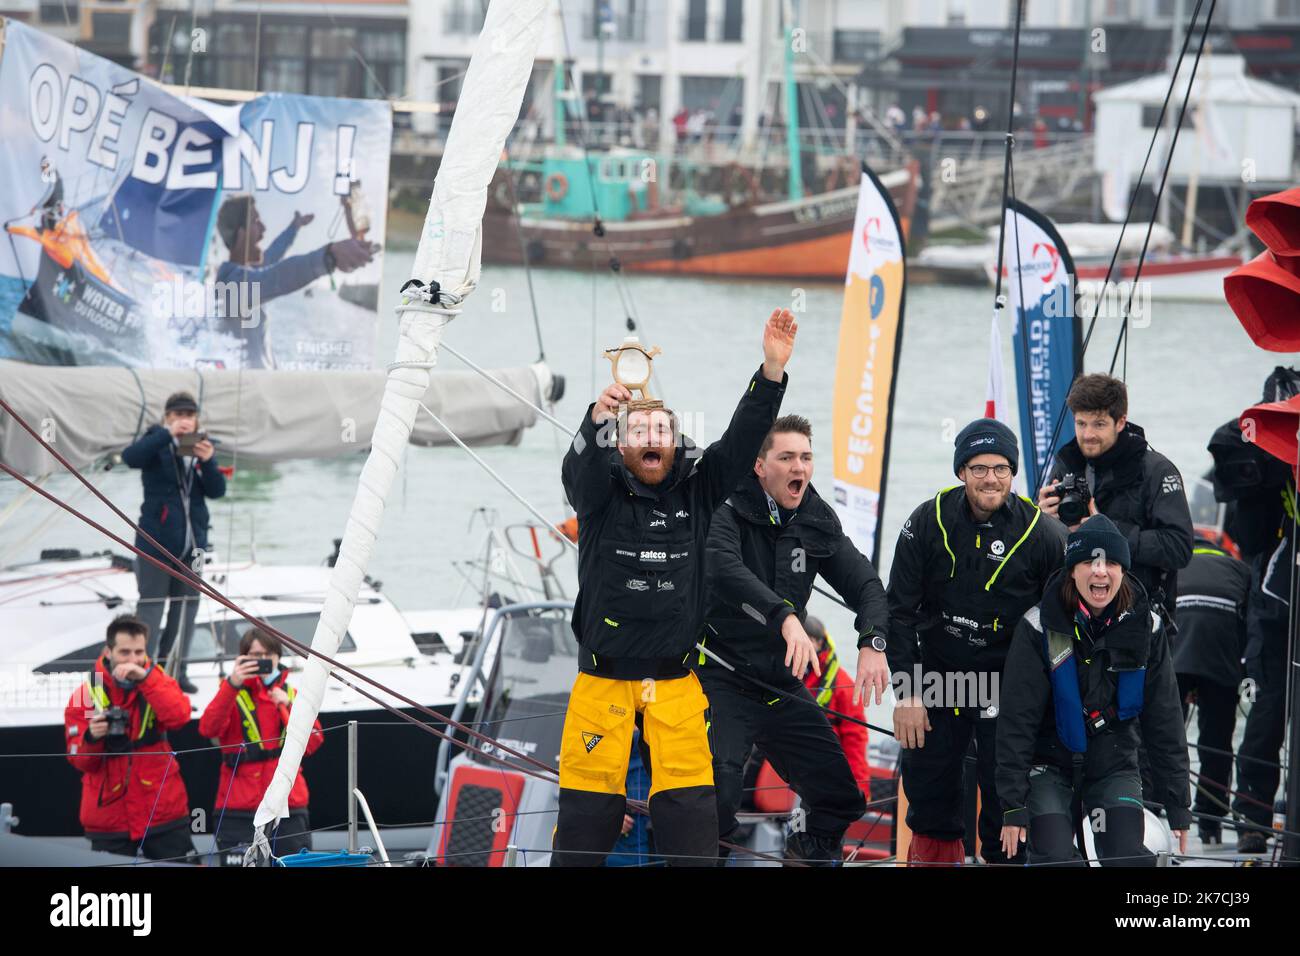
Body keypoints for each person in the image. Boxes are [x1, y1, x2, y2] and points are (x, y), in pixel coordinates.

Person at [552, 308, 795, 867]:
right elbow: (575, 473)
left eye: (661, 429)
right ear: (622, 445)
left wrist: (772, 371)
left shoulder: (699, 489)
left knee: (690, 825)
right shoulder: (600, 494)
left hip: (675, 683)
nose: (651, 437)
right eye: (639, 431)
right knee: (586, 825)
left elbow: (740, 442)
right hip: (601, 682)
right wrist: (594, 419)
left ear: (677, 439)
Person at [698, 414, 887, 863]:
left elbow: (867, 587)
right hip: (720, 673)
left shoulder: (816, 519)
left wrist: (872, 641)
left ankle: (802, 852)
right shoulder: (726, 504)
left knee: (843, 798)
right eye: (786, 457)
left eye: (806, 457)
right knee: (718, 794)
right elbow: (722, 567)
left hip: (778, 683)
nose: (798, 467)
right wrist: (783, 616)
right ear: (760, 466)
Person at [886, 418, 1067, 865]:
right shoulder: (927, 521)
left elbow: (1061, 627)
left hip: (1006, 681)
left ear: (1013, 472)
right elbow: (898, 613)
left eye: (1002, 468)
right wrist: (907, 691)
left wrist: (1058, 698)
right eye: (980, 468)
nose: (992, 478)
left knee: (1007, 797)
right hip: (941, 676)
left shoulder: (1042, 534)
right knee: (929, 792)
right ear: (961, 471)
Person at [997, 516, 1192, 865]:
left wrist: (1178, 805)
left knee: (1126, 857)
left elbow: (1165, 719)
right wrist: (1012, 806)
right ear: (1072, 570)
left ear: (1123, 571)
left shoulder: (1148, 628)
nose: (1100, 572)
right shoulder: (1037, 626)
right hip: (1049, 767)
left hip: (1113, 765)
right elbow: (1016, 721)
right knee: (1056, 857)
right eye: (1089, 562)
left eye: (1111, 563)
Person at [1038, 374, 1193, 628]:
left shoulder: (1157, 470)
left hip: (1139, 616)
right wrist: (1043, 521)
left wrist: (1107, 529)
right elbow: (1051, 550)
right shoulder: (1068, 465)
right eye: (1081, 423)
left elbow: (1179, 548)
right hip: (1076, 614)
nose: (1087, 434)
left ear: (1120, 422)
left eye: (1098, 424)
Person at [63, 614, 196, 860]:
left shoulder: (158, 681)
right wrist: (92, 738)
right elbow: (80, 762)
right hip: (109, 818)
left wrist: (146, 680)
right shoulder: (86, 694)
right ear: (108, 651)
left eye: (139, 652)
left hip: (162, 809)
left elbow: (180, 717)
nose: (133, 660)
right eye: (125, 652)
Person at [122, 391, 226, 693]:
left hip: (194, 546)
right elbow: (131, 458)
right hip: (156, 542)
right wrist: (167, 434)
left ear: (196, 419)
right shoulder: (155, 441)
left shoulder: (201, 447)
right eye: (177, 415)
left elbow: (217, 491)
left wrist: (209, 461)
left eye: (189, 415)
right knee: (152, 608)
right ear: (167, 418)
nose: (184, 420)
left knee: (187, 608)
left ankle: (176, 672)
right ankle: (144, 673)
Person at [199, 628, 323, 856]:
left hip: (287, 805)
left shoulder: (294, 695)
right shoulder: (230, 692)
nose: (262, 661)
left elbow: (313, 743)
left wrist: (286, 706)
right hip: (239, 806)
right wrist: (232, 683)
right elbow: (208, 729)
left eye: (267, 655)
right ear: (243, 658)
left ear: (277, 657)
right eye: (254, 655)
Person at [214, 195, 375, 368]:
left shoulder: (247, 276)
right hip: (249, 390)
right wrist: (329, 256)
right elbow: (278, 277)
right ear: (241, 233)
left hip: (263, 385)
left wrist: (294, 227)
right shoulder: (231, 285)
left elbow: (274, 254)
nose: (263, 228)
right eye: (256, 221)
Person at [1172, 535, 1250, 845]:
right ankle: (1211, 822)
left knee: (1164, 734)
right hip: (1222, 646)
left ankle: (1155, 808)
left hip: (1178, 643)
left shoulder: (1172, 565)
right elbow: (1250, 625)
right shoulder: (1239, 568)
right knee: (1217, 741)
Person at [803, 616, 871, 798]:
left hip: (825, 768)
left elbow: (855, 739)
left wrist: (861, 788)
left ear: (818, 642)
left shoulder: (842, 685)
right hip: (792, 764)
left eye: (807, 640)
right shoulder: (787, 672)